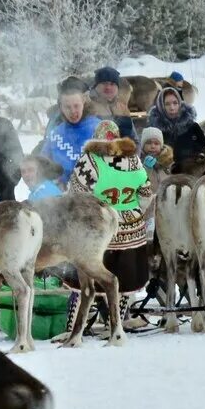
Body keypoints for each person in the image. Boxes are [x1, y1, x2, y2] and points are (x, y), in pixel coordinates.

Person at [75, 131, 155, 327]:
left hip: (99, 228)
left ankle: (76, 324)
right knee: (126, 279)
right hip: (131, 228)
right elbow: (146, 193)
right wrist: (134, 212)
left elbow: (77, 197)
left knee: (87, 279)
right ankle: (117, 321)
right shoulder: (134, 160)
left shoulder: (90, 161)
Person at [39, 82, 95, 186]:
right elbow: (42, 164)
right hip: (64, 197)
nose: (73, 111)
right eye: (67, 107)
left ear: (83, 103)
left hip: (94, 196)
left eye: (76, 106)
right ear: (61, 107)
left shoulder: (99, 128)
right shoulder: (56, 134)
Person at [149, 86, 205, 172]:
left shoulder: (193, 127)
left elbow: (204, 150)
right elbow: (148, 153)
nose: (172, 107)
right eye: (167, 104)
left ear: (180, 103)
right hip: (165, 175)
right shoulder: (154, 131)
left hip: (191, 174)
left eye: (175, 103)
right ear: (160, 106)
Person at [88, 66, 136, 140]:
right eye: (104, 83)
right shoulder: (88, 106)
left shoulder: (122, 108)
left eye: (112, 84)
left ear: (117, 88)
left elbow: (134, 139)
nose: (108, 87)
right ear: (96, 86)